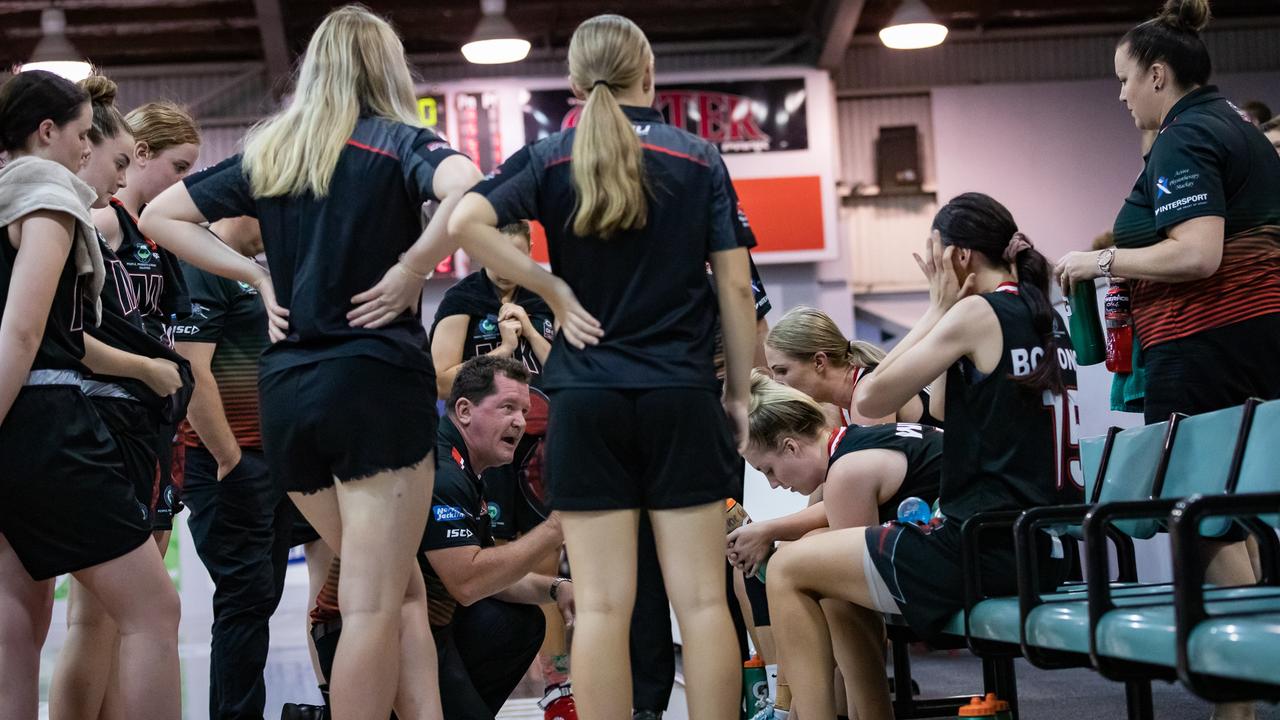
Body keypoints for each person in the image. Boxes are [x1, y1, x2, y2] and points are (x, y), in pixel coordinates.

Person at [139, 6, 484, 719]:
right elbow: (469, 185)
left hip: (288, 391)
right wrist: (415, 265)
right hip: (374, 383)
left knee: (396, 587)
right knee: (372, 602)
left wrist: (258, 277)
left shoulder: (274, 151)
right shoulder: (397, 142)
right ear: (384, 67)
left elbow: (160, 216)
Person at [447, 14, 756, 720]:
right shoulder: (699, 157)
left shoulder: (552, 155)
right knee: (703, 601)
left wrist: (550, 286)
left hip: (587, 402)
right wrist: (736, 392)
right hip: (680, 394)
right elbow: (736, 289)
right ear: (650, 73)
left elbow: (464, 222)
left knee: (605, 607)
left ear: (575, 83)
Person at [766, 193, 1081, 719]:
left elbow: (869, 397)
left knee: (787, 566)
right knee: (833, 576)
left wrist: (937, 308)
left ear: (959, 258)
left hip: (983, 546)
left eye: (934, 257)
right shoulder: (1040, 312)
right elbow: (941, 405)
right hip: (1039, 542)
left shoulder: (980, 312)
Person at [0, 69, 180, 720]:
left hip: (22, 429)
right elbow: (23, 332)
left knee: (16, 631)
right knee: (154, 611)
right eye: (82, 134)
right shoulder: (47, 191)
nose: (86, 148)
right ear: (46, 132)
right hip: (46, 424)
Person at [49, 73, 191, 720]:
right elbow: (66, 336)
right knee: (106, 617)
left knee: (111, 618)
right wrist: (147, 370)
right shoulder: (91, 220)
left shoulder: (141, 235)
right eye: (122, 161)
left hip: (138, 427)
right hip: (100, 422)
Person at [731, 370, 943, 719]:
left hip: (973, 553)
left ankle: (800, 712)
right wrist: (770, 531)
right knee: (815, 559)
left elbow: (858, 599)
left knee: (798, 569)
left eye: (768, 469)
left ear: (790, 446)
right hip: (969, 539)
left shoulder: (847, 471)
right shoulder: (853, 445)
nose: (771, 484)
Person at [631, 257, 771, 720]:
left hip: (700, 423)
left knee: (720, 576)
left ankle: (738, 699)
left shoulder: (723, 251)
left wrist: (749, 410)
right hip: (659, 425)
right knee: (669, 587)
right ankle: (647, 707)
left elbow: (757, 339)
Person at [175, 215, 299, 720]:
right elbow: (192, 370)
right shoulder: (203, 264)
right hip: (231, 463)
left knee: (255, 603)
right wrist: (230, 457)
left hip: (269, 463)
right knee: (244, 605)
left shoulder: (250, 270)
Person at [422, 356, 573, 720]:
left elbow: (491, 576)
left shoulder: (467, 470)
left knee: (522, 623)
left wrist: (556, 587)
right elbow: (468, 582)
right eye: (507, 407)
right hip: (381, 633)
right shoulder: (443, 473)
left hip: (427, 625)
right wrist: (554, 530)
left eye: (523, 410)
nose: (520, 422)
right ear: (464, 410)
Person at [92, 99, 199, 541]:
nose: (183, 181)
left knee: (149, 551)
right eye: (178, 167)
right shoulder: (105, 218)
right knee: (126, 571)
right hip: (119, 405)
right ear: (141, 154)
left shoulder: (154, 228)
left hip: (154, 411)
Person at [764, 306, 942, 427]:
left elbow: (874, 480)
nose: (776, 383)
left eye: (782, 371)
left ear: (819, 362)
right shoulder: (835, 406)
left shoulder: (866, 397)